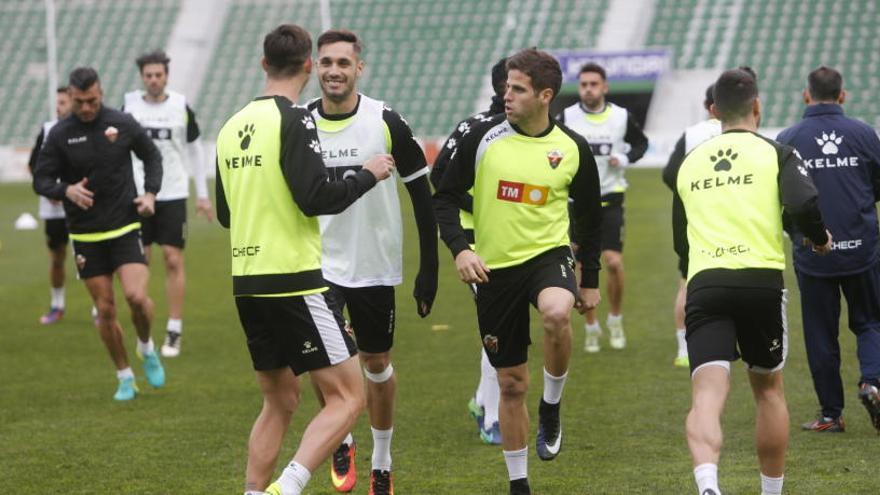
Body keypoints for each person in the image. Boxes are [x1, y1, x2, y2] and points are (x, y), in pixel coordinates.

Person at [214, 24, 395, 495]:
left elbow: (224, 213)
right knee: (350, 396)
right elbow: (319, 198)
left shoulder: (231, 126)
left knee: (280, 400)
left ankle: (254, 492)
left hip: (247, 283)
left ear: (263, 64)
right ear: (308, 66)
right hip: (294, 280)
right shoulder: (296, 120)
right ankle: (288, 486)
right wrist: (368, 174)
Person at [434, 48, 602, 495]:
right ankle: (518, 483)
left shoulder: (571, 148)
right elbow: (444, 198)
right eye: (506, 87)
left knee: (556, 314)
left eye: (518, 89)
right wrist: (460, 250)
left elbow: (589, 216)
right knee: (510, 384)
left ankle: (551, 404)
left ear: (545, 95)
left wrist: (590, 281)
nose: (506, 95)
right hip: (494, 270)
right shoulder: (483, 139)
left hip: (548, 257)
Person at [671, 68, 830, 495]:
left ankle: (708, 482)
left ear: (714, 111)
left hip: (706, 283)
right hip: (760, 281)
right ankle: (770, 492)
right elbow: (803, 201)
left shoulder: (689, 164)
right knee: (768, 391)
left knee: (706, 393)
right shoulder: (776, 152)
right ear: (757, 107)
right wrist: (819, 238)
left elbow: (679, 240)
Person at [305, 29, 438, 495]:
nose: (334, 71)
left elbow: (422, 194)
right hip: (316, 265)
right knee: (324, 361)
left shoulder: (386, 120)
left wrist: (429, 270)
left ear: (359, 68)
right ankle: (340, 435)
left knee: (376, 364)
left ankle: (382, 461)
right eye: (326, 63)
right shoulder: (299, 124)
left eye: (343, 63)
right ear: (315, 68)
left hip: (374, 265)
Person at [33, 67, 166, 401]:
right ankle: (124, 376)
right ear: (72, 99)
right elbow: (41, 179)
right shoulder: (60, 133)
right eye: (80, 102)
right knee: (105, 310)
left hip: (124, 225)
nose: (87, 108)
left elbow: (151, 155)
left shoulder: (121, 122)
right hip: (86, 234)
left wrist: (150, 193)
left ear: (101, 92)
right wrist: (66, 191)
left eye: (92, 100)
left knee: (136, 297)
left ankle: (146, 347)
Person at [776, 65, 880, 434]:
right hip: (862, 248)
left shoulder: (788, 138)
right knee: (870, 322)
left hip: (813, 252)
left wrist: (802, 235)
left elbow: (784, 199)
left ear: (806, 95)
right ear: (843, 95)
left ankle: (831, 414)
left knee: (821, 334)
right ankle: (872, 382)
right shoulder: (865, 134)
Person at [430, 56, 508, 446]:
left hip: (518, 240)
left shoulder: (540, 130)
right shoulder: (473, 127)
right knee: (500, 322)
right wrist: (479, 205)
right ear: (502, 86)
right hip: (476, 239)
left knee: (503, 322)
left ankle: (482, 401)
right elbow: (438, 176)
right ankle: (492, 417)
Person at [122, 49, 212, 358]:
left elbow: (195, 149)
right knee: (140, 261)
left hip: (173, 193)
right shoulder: (130, 106)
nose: (154, 80)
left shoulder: (179, 105)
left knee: (173, 259)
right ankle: (144, 327)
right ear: (142, 77)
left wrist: (202, 193)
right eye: (148, 75)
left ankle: (174, 328)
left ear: (166, 76)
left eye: (158, 75)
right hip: (138, 193)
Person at [557, 62, 648, 352]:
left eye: (594, 84)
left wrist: (625, 158)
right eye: (583, 84)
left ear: (604, 87)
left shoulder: (621, 117)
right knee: (581, 264)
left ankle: (615, 319)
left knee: (613, 262)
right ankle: (591, 325)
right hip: (576, 203)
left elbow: (641, 145)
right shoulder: (567, 117)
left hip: (611, 199)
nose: (588, 89)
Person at [662, 83, 721, 367]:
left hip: (695, 216)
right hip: (732, 216)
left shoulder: (692, 134)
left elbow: (669, 174)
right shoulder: (743, 132)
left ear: (707, 105)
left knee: (687, 281)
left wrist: (692, 190)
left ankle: (684, 348)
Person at [28, 86, 73, 325]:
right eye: (57, 102)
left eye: (64, 102)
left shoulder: (85, 130)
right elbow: (33, 166)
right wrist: (50, 190)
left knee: (89, 258)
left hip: (81, 206)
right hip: (54, 209)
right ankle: (57, 305)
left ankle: (99, 308)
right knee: (57, 256)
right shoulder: (47, 130)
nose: (59, 106)